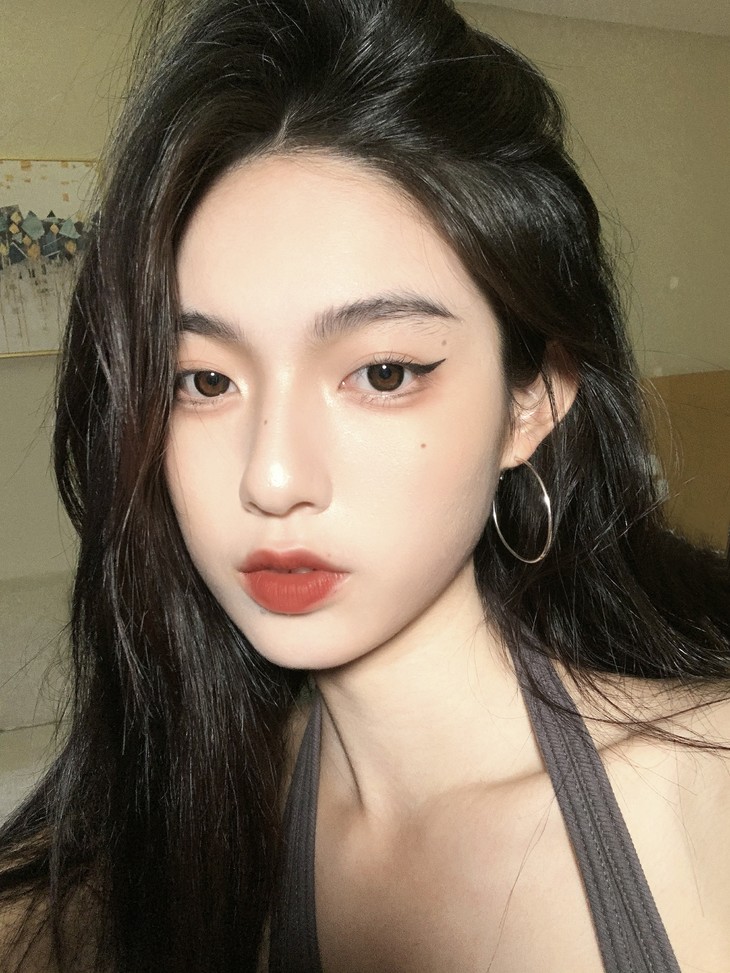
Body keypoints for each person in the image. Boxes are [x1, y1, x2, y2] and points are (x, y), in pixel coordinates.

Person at [1, 0, 729, 970]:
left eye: (383, 372)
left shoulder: (707, 795)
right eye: (203, 381)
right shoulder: (174, 832)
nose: (271, 478)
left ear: (531, 402)